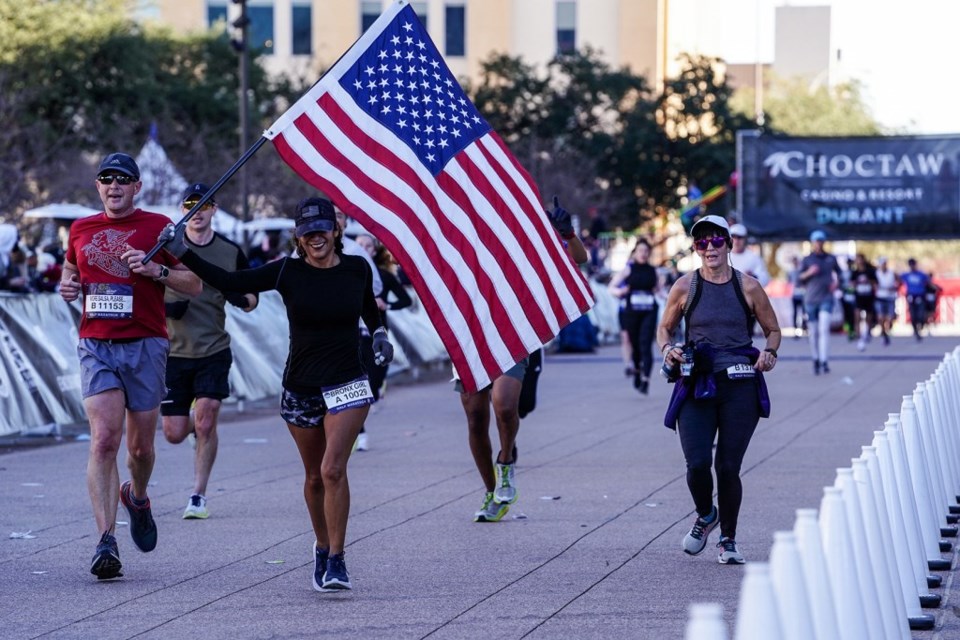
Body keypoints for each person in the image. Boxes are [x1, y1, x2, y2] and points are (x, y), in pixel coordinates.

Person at [160, 196, 392, 592]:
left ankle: (337, 560)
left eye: (321, 230)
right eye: (307, 233)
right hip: (302, 385)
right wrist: (181, 252)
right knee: (314, 476)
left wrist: (381, 333)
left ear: (335, 231)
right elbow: (233, 282)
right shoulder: (287, 271)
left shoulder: (355, 268)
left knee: (333, 468)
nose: (315, 239)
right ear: (297, 239)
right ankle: (321, 546)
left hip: (349, 380)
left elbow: (369, 309)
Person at [59, 152, 202, 580]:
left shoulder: (159, 227)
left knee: (140, 449)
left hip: (146, 345)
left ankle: (137, 496)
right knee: (104, 439)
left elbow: (193, 284)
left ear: (137, 187)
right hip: (97, 345)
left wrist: (157, 270)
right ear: (98, 186)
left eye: (123, 179)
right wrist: (66, 284)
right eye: (106, 179)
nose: (114, 186)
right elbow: (70, 270)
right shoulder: (81, 229)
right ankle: (106, 540)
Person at [656, 214, 781, 565]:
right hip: (697, 382)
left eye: (716, 241)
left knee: (727, 466)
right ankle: (705, 514)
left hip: (740, 385)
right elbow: (664, 330)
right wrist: (669, 350)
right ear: (696, 248)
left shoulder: (749, 287)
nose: (709, 248)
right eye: (701, 242)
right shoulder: (685, 286)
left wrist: (770, 353)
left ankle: (728, 538)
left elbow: (773, 330)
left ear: (729, 243)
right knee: (697, 463)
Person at [462, 198, 587, 523]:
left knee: (504, 405)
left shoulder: (531, 240)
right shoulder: (467, 233)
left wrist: (567, 233)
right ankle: (491, 491)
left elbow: (579, 259)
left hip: (512, 332)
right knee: (476, 417)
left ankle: (506, 463)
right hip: (471, 335)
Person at [161, 183, 259, 520]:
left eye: (203, 204)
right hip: (172, 352)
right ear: (182, 208)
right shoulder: (166, 247)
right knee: (174, 433)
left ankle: (198, 495)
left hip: (213, 348)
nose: (197, 210)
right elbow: (143, 281)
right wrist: (164, 310)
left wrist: (240, 297)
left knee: (207, 416)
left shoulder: (230, 251)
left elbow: (252, 298)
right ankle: (198, 432)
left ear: (213, 209)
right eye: (190, 203)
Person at [336, 210, 383, 451]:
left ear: (345, 221)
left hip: (352, 331)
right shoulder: (304, 249)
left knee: (353, 382)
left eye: (339, 215)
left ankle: (356, 431)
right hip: (313, 335)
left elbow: (376, 285)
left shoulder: (355, 251)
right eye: (329, 215)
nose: (335, 220)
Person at [355, 233, 412, 411]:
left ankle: (378, 387)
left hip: (376, 331)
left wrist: (387, 305)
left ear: (374, 251)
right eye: (359, 245)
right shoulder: (345, 273)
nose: (363, 249)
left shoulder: (384, 276)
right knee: (358, 377)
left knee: (376, 375)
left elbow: (406, 300)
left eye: (368, 246)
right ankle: (359, 428)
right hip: (354, 333)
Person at [608, 238, 660, 394]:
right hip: (632, 312)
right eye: (640, 251)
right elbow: (612, 288)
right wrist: (621, 292)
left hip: (649, 310)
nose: (643, 254)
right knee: (635, 344)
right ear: (635, 253)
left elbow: (659, 290)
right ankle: (637, 369)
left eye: (646, 251)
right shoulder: (628, 270)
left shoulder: (653, 271)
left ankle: (646, 379)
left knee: (646, 343)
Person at [799, 230, 842, 374]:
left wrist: (837, 283)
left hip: (826, 298)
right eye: (816, 241)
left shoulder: (831, 258)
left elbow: (841, 274)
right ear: (812, 243)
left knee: (824, 329)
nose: (818, 243)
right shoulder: (807, 260)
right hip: (811, 300)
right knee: (814, 332)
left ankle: (824, 360)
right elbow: (798, 279)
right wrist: (808, 273)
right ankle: (815, 358)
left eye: (821, 241)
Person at [849, 254, 877, 352]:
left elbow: (875, 283)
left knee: (868, 317)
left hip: (868, 296)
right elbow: (851, 284)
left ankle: (867, 332)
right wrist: (855, 284)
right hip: (859, 296)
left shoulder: (870, 271)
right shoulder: (854, 273)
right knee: (857, 316)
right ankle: (859, 335)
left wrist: (868, 281)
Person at [901, 258, 931, 341]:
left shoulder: (921, 275)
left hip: (920, 296)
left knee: (921, 314)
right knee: (913, 315)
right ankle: (916, 331)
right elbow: (898, 280)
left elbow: (929, 282)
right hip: (911, 296)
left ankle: (921, 324)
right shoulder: (906, 275)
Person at [873, 257, 898, 346]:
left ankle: (888, 329)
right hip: (880, 297)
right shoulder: (876, 273)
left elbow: (898, 282)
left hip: (890, 297)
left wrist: (895, 287)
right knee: (881, 317)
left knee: (890, 317)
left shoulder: (892, 273)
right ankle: (884, 333)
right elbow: (873, 283)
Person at [787, 255, 806, 339]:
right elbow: (789, 283)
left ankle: (804, 328)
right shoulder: (791, 272)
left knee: (803, 313)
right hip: (794, 294)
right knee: (795, 313)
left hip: (801, 294)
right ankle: (796, 331)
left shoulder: (801, 271)